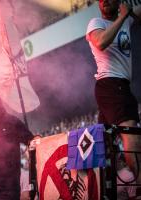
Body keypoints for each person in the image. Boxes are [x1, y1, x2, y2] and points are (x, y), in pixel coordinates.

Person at [86, 0, 141, 184]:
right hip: (111, 84)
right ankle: (140, 183)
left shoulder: (125, 19)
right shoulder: (96, 23)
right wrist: (124, 16)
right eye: (101, 0)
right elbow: (101, 42)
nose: (105, 1)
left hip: (118, 87)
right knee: (130, 135)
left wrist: (128, 13)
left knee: (106, 143)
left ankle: (110, 188)